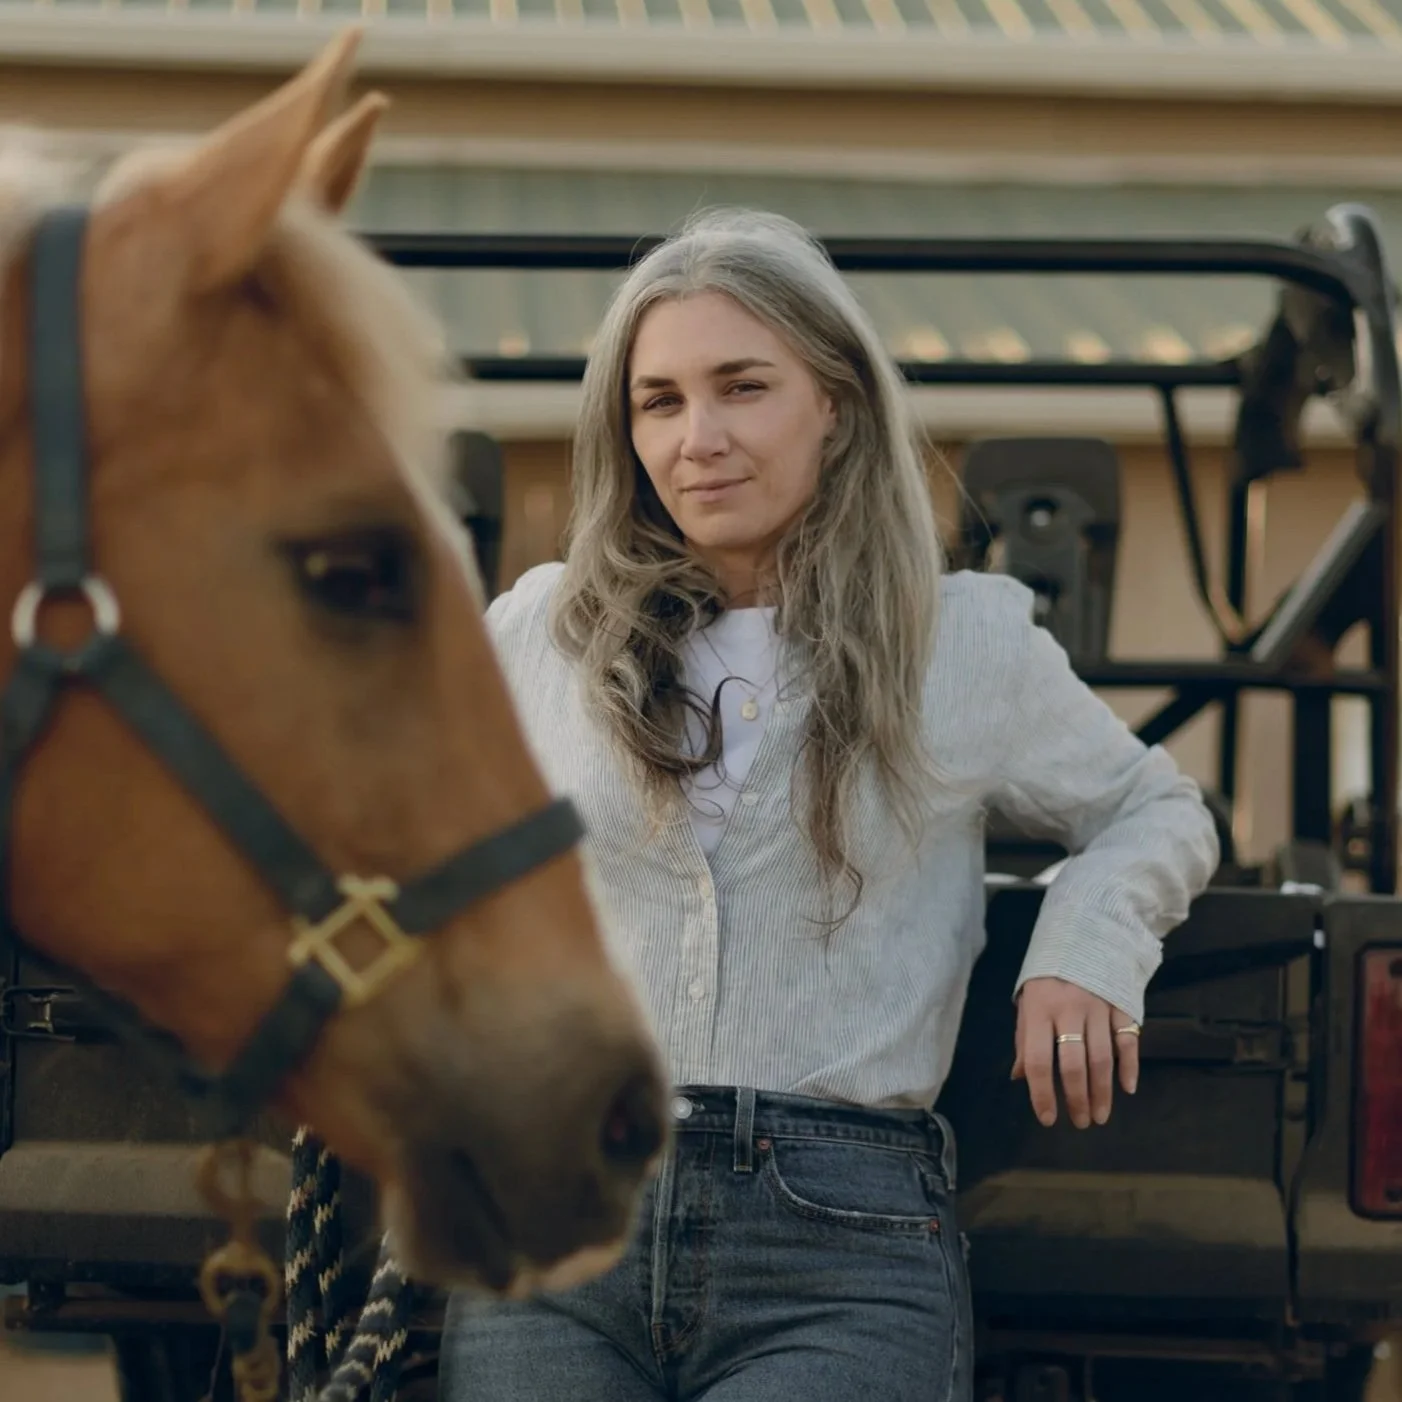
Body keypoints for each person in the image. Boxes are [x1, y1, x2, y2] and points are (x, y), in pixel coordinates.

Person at [438, 207, 1220, 1402]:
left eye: (742, 386)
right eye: (659, 401)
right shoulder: (539, 632)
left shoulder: (963, 638)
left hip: (838, 1241)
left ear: (837, 404)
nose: (698, 438)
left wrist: (1084, 945)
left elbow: (1155, 806)